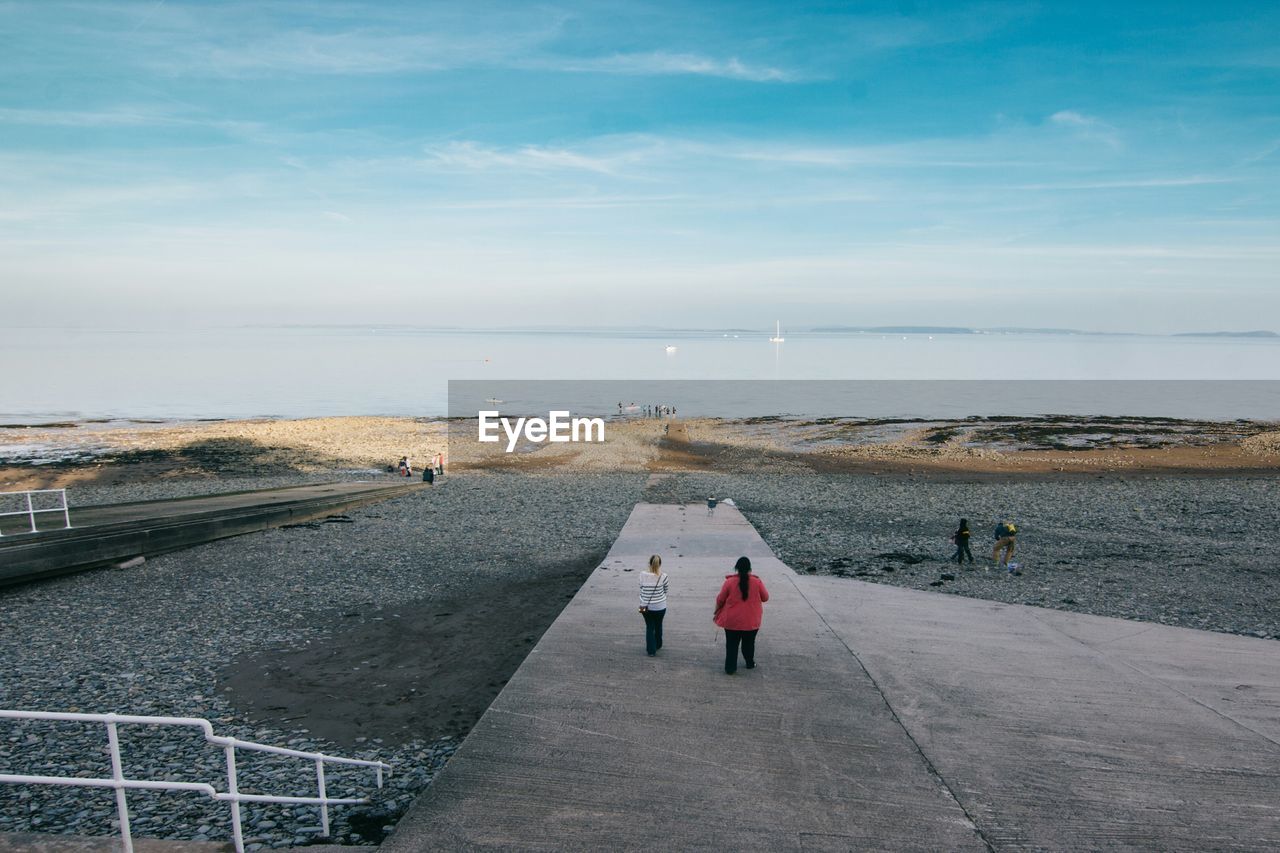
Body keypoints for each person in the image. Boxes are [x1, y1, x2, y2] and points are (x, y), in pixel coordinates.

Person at [713, 556, 770, 674]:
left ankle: (730, 668)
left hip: (732, 621)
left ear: (736, 568)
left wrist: (717, 610)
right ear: (750, 568)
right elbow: (765, 598)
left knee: (731, 645)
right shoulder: (757, 582)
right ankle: (749, 663)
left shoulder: (729, 582)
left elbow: (720, 599)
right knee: (749, 644)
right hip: (751, 621)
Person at [638, 554, 669, 656]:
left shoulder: (642, 574)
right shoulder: (664, 576)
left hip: (644, 605)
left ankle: (651, 651)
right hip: (660, 606)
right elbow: (666, 590)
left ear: (649, 563)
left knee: (649, 626)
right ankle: (658, 644)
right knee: (658, 624)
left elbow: (641, 587)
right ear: (660, 564)